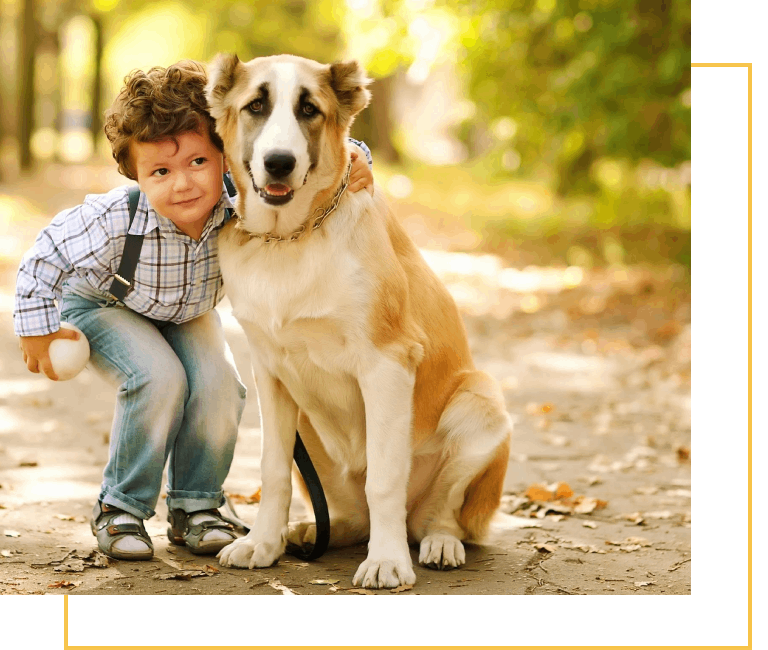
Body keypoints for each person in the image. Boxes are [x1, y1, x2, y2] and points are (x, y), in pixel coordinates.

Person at [13, 59, 374, 560]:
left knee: (221, 384)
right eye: (160, 171)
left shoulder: (238, 199)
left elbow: (308, 142)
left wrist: (358, 155)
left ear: (226, 154)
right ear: (134, 173)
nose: (182, 184)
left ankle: (197, 506)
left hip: (185, 312)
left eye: (197, 163)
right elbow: (43, 255)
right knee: (158, 378)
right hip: (104, 304)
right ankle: (121, 507)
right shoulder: (114, 219)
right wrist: (36, 331)